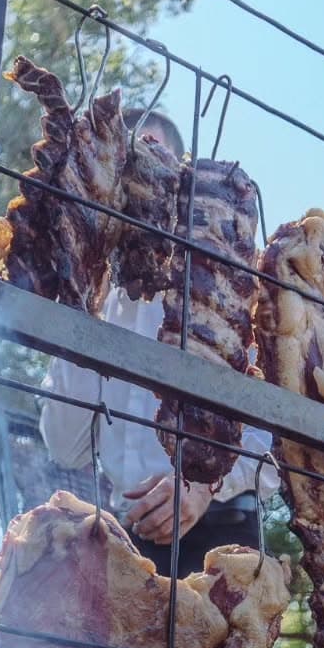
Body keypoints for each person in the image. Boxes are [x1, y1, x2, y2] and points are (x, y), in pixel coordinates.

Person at [39, 110, 279, 578]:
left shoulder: (224, 285)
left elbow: (272, 439)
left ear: (176, 179)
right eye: (125, 163)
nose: (136, 174)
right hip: (125, 542)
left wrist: (204, 487)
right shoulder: (97, 298)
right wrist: (81, 310)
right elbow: (66, 447)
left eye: (151, 154)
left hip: (220, 530)